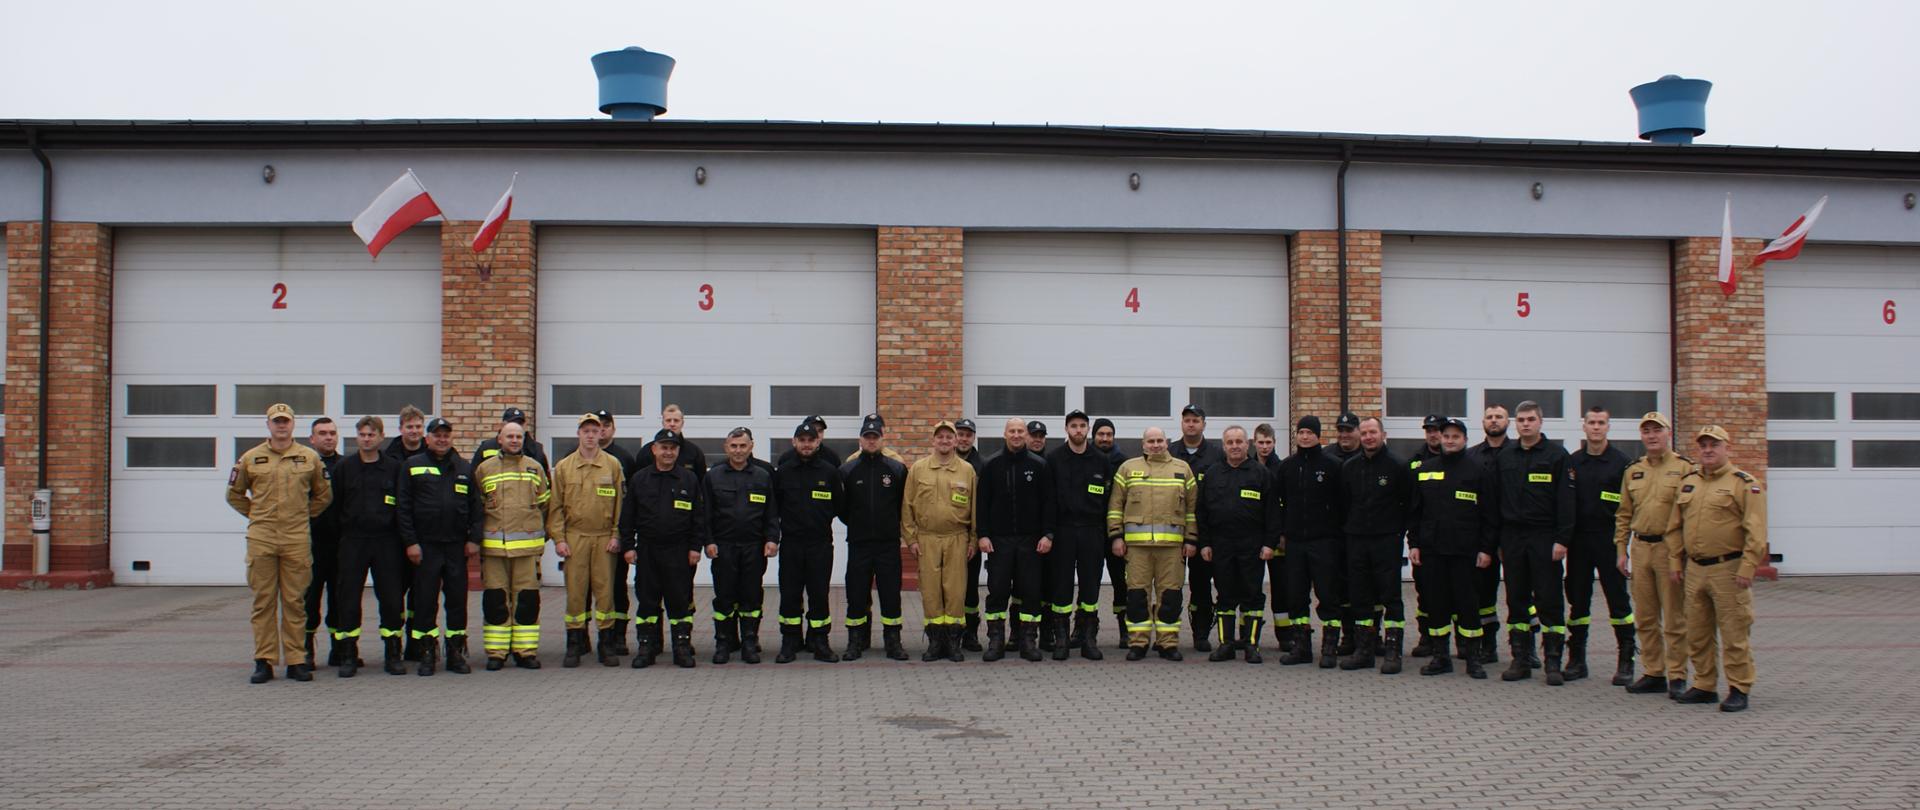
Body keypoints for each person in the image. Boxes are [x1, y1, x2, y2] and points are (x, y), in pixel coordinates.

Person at [226, 403, 333, 684]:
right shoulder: (251, 458)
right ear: (269, 425)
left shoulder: (308, 458)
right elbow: (234, 494)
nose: (281, 426)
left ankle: (297, 660)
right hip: (262, 537)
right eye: (277, 421)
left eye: (285, 421)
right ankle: (264, 660)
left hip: (296, 538)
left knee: (295, 602)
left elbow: (323, 495)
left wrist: (301, 516)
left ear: (293, 424)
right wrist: (257, 515)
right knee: (264, 602)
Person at [1665, 426, 1767, 713]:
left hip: (1729, 569)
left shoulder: (1744, 484)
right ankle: (1704, 684)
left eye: (1714, 445)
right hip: (1695, 568)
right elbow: (1674, 527)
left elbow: (1756, 532)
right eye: (1704, 445)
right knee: (1697, 632)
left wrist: (1748, 567)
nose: (1708, 450)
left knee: (1734, 632)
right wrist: (1675, 561)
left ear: (1727, 448)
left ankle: (1739, 687)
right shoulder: (1689, 483)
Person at [1407, 419, 1498, 678]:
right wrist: (1414, 544)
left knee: (1468, 605)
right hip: (1433, 551)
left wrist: (1486, 549)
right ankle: (1440, 657)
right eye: (1446, 435)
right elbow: (1416, 512)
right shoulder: (1425, 469)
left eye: (1455, 436)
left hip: (1465, 552)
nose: (1449, 440)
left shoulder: (1479, 469)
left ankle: (1472, 659)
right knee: (1437, 604)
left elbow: (1489, 515)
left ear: (1465, 440)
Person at [1492, 400, 1576, 685]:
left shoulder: (1557, 455)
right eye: (1521, 420)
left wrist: (1562, 540)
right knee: (1516, 600)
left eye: (1531, 419)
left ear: (1540, 422)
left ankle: (1553, 662)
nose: (1525, 424)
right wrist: (1499, 541)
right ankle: (1520, 659)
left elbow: (1567, 501)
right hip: (1513, 537)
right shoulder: (1506, 456)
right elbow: (1495, 501)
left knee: (1549, 600)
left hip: (1544, 538)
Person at [1613, 412, 1694, 697]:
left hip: (1669, 550)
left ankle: (1677, 675)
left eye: (1657, 430)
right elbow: (1623, 514)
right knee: (1645, 617)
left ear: (1668, 433)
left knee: (1674, 618)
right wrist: (1621, 550)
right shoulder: (1634, 470)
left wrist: (1682, 554)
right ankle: (1653, 671)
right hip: (1641, 547)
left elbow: (1690, 514)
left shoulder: (1685, 468)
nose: (1651, 435)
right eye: (1646, 431)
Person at [620, 429, 709, 669]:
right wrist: (628, 547)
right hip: (648, 550)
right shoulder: (640, 479)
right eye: (664, 447)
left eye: (673, 448)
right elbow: (627, 517)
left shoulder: (688, 480)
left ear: (678, 451)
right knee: (647, 601)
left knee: (679, 601)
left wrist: (695, 547)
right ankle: (646, 647)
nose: (668, 452)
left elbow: (698, 518)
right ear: (654, 449)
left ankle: (681, 648)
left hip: (678, 551)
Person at [1108, 427, 1198, 660]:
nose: (1156, 445)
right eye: (1151, 441)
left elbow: (1192, 510)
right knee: (1137, 596)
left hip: (1172, 547)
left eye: (1159, 440)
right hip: (1137, 548)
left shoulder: (1182, 469)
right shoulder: (1128, 468)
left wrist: (1191, 539)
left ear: (1166, 442)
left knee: (1170, 596)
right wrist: (1116, 536)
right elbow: (1115, 506)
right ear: (1143, 444)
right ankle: (1138, 643)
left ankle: (1167, 643)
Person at [328, 415, 408, 676]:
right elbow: (334, 506)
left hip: (387, 541)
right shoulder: (344, 468)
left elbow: (402, 507)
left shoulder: (394, 468)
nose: (366, 438)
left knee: (391, 597)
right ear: (357, 437)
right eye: (362, 434)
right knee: (348, 597)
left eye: (371, 434)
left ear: (381, 437)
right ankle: (349, 654)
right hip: (353, 541)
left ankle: (393, 653)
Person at [1195, 426, 1282, 663]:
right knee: (1225, 595)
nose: (1234, 446)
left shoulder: (1261, 474)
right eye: (1230, 442)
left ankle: (1251, 644)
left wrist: (1269, 544)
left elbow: (1273, 514)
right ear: (1223, 446)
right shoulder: (1212, 474)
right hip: (1221, 545)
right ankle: (1226, 644)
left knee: (1252, 596)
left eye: (1239, 442)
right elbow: (1201, 512)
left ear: (1248, 444)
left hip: (1251, 545)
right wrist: (1204, 543)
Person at [1336, 417, 1415, 674]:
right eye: (1365, 433)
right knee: (1360, 596)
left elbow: (1409, 504)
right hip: (1357, 540)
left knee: (1390, 596)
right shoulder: (1350, 467)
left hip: (1386, 540)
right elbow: (1344, 504)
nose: (1369, 437)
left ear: (1383, 434)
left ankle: (1393, 653)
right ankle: (1364, 651)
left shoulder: (1398, 466)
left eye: (1373, 432)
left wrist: (1396, 532)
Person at [396, 417, 474, 677]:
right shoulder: (413, 466)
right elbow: (403, 509)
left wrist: (474, 539)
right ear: (427, 438)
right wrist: (411, 543)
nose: (442, 439)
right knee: (425, 601)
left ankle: (455, 652)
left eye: (446, 435)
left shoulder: (464, 467)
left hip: (455, 546)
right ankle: (426, 651)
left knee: (456, 601)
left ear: (452, 438)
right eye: (437, 435)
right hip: (425, 547)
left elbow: (477, 507)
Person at [548, 413, 625, 668]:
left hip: (603, 538)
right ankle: (574, 643)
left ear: (601, 433)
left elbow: (619, 506)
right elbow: (555, 507)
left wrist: (616, 534)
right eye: (586, 431)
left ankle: (606, 644)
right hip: (575, 537)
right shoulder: (564, 467)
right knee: (575, 593)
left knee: (605, 594)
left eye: (595, 430)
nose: (591, 435)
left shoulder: (612, 465)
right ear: (579, 434)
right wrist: (559, 539)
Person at [977, 418, 1057, 662]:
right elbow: (981, 503)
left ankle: (1028, 642)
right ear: (1004, 434)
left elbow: (1048, 503)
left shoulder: (1039, 465)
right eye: (1011, 431)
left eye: (1020, 431)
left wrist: (1048, 534)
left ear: (1025, 435)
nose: (1016, 435)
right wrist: (983, 534)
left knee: (1031, 591)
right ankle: (996, 642)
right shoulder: (991, 465)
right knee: (998, 591)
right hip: (999, 541)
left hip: (1031, 541)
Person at [1566, 406, 1634, 683]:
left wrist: (1623, 548)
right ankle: (1577, 659)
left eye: (1601, 423)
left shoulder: (1622, 463)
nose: (1596, 427)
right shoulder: (1573, 463)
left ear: (1608, 426)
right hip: (1579, 542)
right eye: (1591, 422)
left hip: (1608, 540)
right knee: (1578, 601)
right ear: (1583, 426)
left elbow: (1628, 509)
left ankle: (1626, 660)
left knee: (1618, 602)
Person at [903, 420, 978, 662]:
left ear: (956, 441)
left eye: (949, 437)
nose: (944, 441)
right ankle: (936, 642)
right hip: (927, 539)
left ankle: (954, 642)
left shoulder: (967, 470)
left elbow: (975, 508)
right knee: (931, 591)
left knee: (955, 591)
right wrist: (911, 539)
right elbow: (907, 506)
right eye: (940, 437)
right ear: (933, 440)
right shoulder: (918, 469)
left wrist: (973, 539)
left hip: (957, 537)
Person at [704, 427, 780, 664]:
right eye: (733, 446)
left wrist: (771, 539)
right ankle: (724, 643)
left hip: (753, 547)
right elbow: (705, 513)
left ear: (751, 446)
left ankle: (749, 642)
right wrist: (708, 541)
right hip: (723, 547)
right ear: (726, 448)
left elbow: (771, 512)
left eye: (742, 446)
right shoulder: (713, 476)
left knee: (751, 597)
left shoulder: (762, 476)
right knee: (724, 597)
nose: (738, 451)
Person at [1276, 416, 1347, 667]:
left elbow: (1343, 505)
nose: (1304, 437)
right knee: (1295, 595)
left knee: (1328, 594)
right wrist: (1282, 533)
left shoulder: (1333, 465)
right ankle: (1301, 646)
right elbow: (1279, 504)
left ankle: (1329, 648)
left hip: (1324, 542)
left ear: (1318, 435)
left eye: (1309, 432)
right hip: (1295, 543)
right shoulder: (1287, 467)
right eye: (1301, 432)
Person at [838, 414, 911, 661]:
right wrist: (858, 524)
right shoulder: (847, 470)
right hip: (859, 544)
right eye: (867, 437)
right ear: (860, 439)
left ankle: (894, 642)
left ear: (882, 439)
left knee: (891, 594)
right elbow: (842, 508)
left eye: (875, 437)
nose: (871, 441)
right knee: (856, 593)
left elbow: (904, 504)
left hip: (888, 544)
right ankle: (856, 641)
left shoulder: (896, 469)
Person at [772, 419, 844, 663]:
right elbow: (775, 506)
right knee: (790, 594)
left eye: (810, 440)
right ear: (794, 442)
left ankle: (820, 641)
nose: (805, 444)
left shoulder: (829, 471)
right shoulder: (783, 471)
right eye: (801, 440)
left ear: (817, 442)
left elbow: (838, 506)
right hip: (791, 543)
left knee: (819, 594)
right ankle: (789, 642)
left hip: (819, 543)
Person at [1044, 410, 1113, 660]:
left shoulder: (1100, 460)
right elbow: (1048, 501)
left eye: (1082, 426)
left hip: (1091, 531)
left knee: (1090, 586)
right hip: (1063, 531)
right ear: (1066, 429)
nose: (1078, 430)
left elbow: (1108, 499)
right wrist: (1049, 533)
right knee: (1061, 586)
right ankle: (1061, 639)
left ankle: (1088, 639)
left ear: (1088, 429)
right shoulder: (1054, 459)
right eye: (1074, 426)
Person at [1171, 404, 1225, 650]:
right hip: (1172, 531)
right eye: (1187, 420)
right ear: (1181, 423)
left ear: (1204, 424)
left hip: (1205, 532)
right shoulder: (1170, 452)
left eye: (1195, 420)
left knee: (1201, 585)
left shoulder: (1216, 455)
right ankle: (1166, 636)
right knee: (1170, 585)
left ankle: (1200, 633)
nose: (1191, 424)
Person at [1465, 404, 1513, 664]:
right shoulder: (1472, 456)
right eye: (1489, 417)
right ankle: (1488, 644)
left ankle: (1525, 649)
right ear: (1482, 422)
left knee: (1521, 593)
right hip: (1483, 536)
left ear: (1508, 421)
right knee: (1484, 593)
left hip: (1515, 534)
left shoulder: (1518, 453)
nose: (1494, 421)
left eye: (1499, 417)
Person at [384, 404, 429, 663]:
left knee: (421, 593)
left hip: (423, 538)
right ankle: (393, 645)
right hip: (393, 539)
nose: (414, 431)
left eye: (418, 427)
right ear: (400, 429)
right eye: (409, 427)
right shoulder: (388, 457)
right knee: (393, 594)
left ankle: (416, 643)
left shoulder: (431, 454)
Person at [596, 409, 639, 658]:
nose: (600, 430)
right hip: (587, 535)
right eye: (595, 426)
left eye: (605, 425)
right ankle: (582, 638)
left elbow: (631, 501)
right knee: (586, 588)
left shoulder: (624, 459)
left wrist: (627, 535)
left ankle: (619, 636)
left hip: (616, 534)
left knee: (617, 587)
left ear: (613, 428)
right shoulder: (574, 456)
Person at [303, 417, 344, 670]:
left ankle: (339, 649)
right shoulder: (304, 465)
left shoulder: (346, 466)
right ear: (312, 438)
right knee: (309, 600)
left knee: (340, 600)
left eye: (332, 433)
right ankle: (305, 649)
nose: (328, 437)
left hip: (340, 544)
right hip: (309, 544)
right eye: (322, 433)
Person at [1408, 414, 1447, 658]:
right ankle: (1426, 638)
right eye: (1429, 430)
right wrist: (1414, 541)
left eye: (1437, 430)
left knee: (1453, 593)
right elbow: (1412, 504)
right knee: (1424, 592)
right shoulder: (1416, 462)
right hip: (1425, 538)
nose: (1433, 434)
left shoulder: (1458, 460)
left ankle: (1460, 642)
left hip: (1452, 539)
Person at [1253, 423, 1293, 652]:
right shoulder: (1247, 468)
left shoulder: (1283, 469)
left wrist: (1283, 534)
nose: (1265, 447)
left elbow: (1287, 505)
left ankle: (1284, 635)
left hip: (1278, 539)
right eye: (1261, 442)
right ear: (1254, 443)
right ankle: (1249, 634)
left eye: (1269, 442)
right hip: (1253, 538)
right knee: (1250, 589)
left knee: (1282, 588)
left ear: (1275, 443)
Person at [1092, 417, 1130, 649]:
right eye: (1101, 434)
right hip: (1092, 532)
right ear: (1093, 436)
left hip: (1117, 535)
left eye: (1109, 434)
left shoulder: (1124, 463)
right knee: (1090, 582)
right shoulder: (1087, 460)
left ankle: (1124, 629)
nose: (1105, 438)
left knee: (1121, 583)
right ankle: (1086, 628)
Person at [953, 417, 990, 651]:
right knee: (948, 586)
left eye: (968, 434)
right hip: (947, 534)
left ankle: (971, 634)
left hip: (970, 537)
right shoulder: (945, 462)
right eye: (960, 434)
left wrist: (978, 537)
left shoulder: (982, 465)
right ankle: (949, 633)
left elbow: (984, 504)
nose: (964, 438)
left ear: (974, 438)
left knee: (969, 587)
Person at [471, 406, 551, 476]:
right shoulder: (487, 447)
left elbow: (545, 484)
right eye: (512, 422)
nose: (516, 426)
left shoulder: (536, 449)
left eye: (520, 423)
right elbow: (474, 479)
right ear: (502, 425)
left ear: (525, 425)